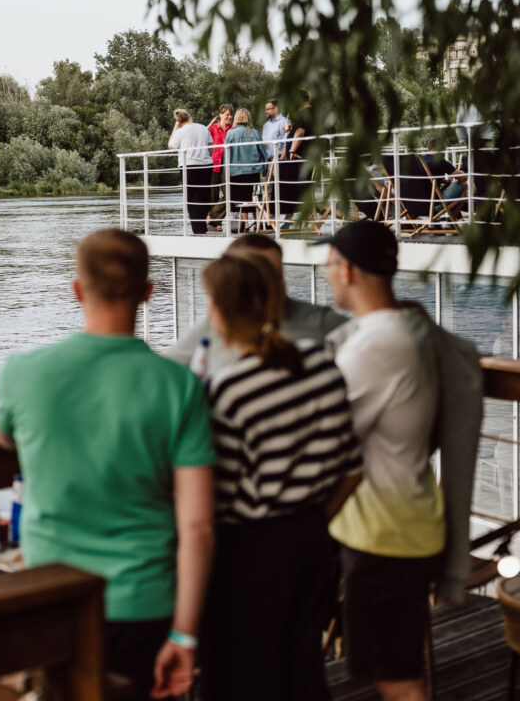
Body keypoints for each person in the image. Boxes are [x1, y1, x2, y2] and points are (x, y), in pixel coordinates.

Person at [0, 228, 215, 700]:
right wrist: (184, 635)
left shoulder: (22, 372)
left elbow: (3, 434)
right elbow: (198, 528)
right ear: (148, 294)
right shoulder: (179, 386)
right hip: (145, 602)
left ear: (77, 290)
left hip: (53, 596)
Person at [199, 250, 362, 701]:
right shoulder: (320, 363)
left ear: (222, 312)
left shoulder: (227, 391)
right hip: (313, 544)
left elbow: (218, 500)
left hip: (250, 554)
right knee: (302, 672)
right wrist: (312, 520)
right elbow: (353, 469)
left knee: (237, 681)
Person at [319, 219, 444, 701]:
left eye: (331, 264)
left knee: (398, 677)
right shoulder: (404, 328)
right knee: (390, 666)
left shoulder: (374, 347)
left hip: (387, 536)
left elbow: (324, 433)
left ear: (347, 271)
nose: (328, 274)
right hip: (393, 524)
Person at [162, 233, 347, 378]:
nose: (263, 282)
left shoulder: (324, 322)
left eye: (271, 273)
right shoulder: (212, 326)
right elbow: (165, 365)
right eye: (251, 273)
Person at [168, 109, 216, 235]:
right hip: (206, 165)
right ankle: (203, 225)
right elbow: (211, 145)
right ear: (189, 116)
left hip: (188, 166)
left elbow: (171, 146)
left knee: (193, 198)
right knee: (205, 195)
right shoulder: (203, 128)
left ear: (178, 120)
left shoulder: (180, 131)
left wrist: (175, 128)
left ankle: (198, 228)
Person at [221, 108, 269, 232]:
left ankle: (245, 226)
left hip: (235, 172)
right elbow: (263, 152)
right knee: (254, 198)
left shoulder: (231, 133)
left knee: (240, 200)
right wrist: (265, 168)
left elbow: (227, 154)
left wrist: (226, 172)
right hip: (253, 170)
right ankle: (258, 224)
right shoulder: (254, 132)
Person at [282, 90, 316, 223]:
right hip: (306, 156)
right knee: (303, 187)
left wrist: (291, 150)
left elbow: (300, 133)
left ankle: (289, 217)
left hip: (299, 157)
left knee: (292, 185)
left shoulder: (305, 113)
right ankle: (303, 217)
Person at [205, 105, 233, 229]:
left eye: (231, 114)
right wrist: (208, 126)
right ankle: (217, 223)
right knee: (213, 196)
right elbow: (202, 137)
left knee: (230, 193)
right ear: (220, 115)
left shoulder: (233, 129)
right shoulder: (213, 128)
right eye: (227, 114)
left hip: (227, 165)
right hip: (213, 164)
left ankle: (210, 216)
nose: (229, 117)